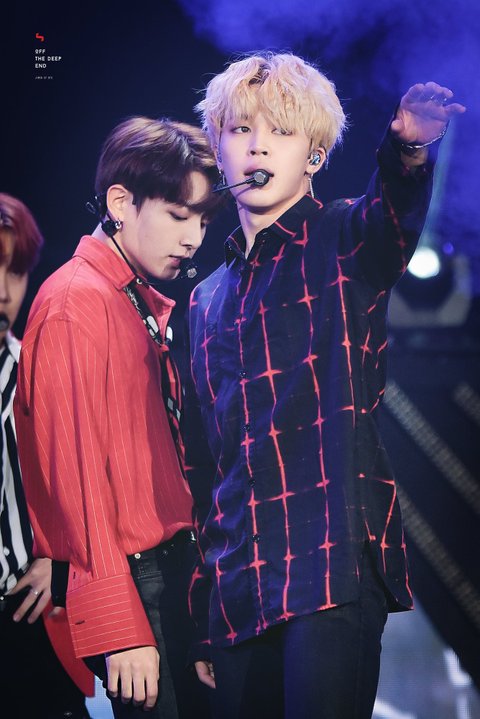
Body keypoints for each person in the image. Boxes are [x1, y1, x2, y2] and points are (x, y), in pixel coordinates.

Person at [184, 52, 466, 719]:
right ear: (219, 150)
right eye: (241, 129)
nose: (257, 144)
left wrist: (407, 149)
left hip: (328, 567)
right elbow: (209, 459)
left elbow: (390, 215)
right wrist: (205, 606)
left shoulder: (341, 237)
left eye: (280, 131)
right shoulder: (205, 299)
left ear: (313, 155)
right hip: (238, 586)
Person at [13, 118, 222, 718]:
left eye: (203, 222)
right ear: (120, 203)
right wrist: (120, 626)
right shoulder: (74, 302)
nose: (193, 239)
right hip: (136, 583)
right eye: (179, 216)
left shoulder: (128, 297)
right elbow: (76, 483)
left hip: (173, 572)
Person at [0, 192, 93, 718]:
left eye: (15, 272)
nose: (3, 290)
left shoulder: (38, 368)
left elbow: (95, 477)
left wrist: (60, 562)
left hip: (26, 619)